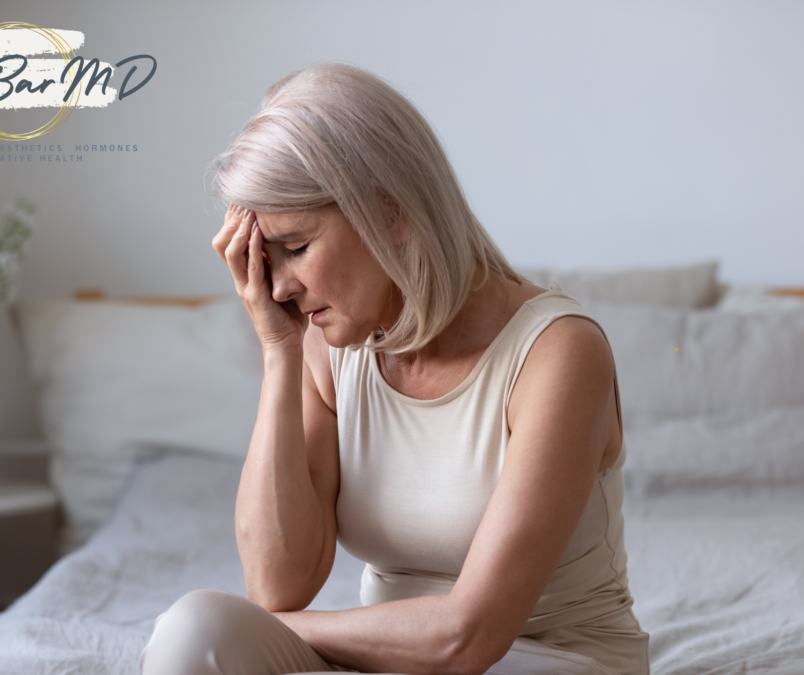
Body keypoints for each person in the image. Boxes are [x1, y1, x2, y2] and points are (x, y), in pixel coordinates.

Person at [139, 63, 649, 675]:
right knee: (197, 630)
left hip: (542, 661)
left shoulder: (557, 353)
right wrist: (280, 353)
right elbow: (278, 585)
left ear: (391, 211)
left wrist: (282, 633)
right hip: (386, 663)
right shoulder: (330, 344)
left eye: (296, 247)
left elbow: (467, 638)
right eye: (264, 259)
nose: (278, 288)